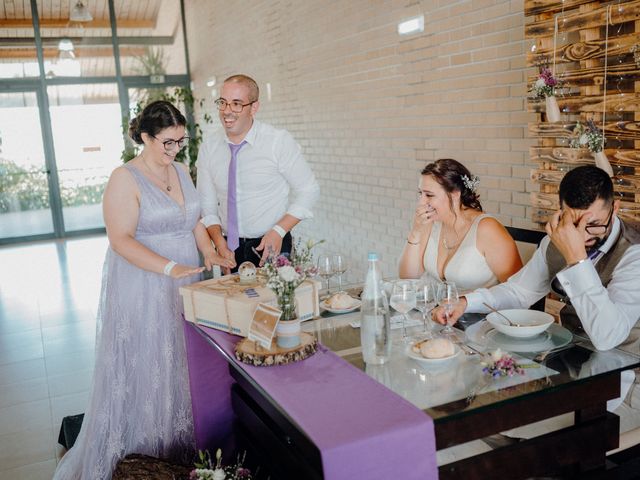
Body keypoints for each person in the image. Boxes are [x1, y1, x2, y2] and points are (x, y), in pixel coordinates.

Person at [53, 100, 234, 479]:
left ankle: (178, 448)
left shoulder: (182, 170)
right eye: (167, 142)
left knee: (181, 360)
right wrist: (170, 267)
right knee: (150, 359)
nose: (174, 150)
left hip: (185, 277)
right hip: (145, 281)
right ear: (146, 138)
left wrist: (211, 252)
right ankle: (143, 448)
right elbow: (120, 239)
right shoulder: (125, 178)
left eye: (180, 142)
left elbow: (193, 220)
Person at [433, 165, 640, 434]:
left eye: (595, 224)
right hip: (574, 366)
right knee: (500, 416)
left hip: (628, 379)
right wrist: (464, 302)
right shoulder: (554, 242)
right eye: (572, 223)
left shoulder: (634, 252)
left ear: (616, 207)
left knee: (545, 439)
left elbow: (607, 337)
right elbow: (519, 291)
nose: (583, 235)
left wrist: (577, 257)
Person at [197, 74, 320, 272]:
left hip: (271, 243)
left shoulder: (277, 142)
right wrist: (219, 244)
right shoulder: (209, 147)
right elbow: (207, 205)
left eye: (237, 104)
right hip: (226, 247)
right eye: (223, 103)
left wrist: (279, 231)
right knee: (232, 303)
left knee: (274, 303)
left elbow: (309, 190)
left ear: (254, 107)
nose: (227, 111)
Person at [398, 158, 522, 292]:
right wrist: (416, 231)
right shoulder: (431, 222)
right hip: (436, 310)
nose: (421, 202)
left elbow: (517, 291)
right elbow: (408, 278)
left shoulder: (487, 229)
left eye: (429, 195)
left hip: (481, 312)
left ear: (455, 195)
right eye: (420, 193)